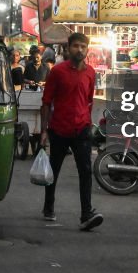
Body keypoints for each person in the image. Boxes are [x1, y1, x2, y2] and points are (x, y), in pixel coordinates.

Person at [39, 33, 103, 231]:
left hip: (82, 128)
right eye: (76, 46)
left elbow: (89, 100)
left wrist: (89, 122)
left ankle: (86, 213)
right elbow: (46, 102)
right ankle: (49, 206)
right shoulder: (57, 72)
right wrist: (43, 131)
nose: (80, 50)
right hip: (59, 128)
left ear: (87, 49)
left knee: (85, 171)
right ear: (68, 48)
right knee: (54, 170)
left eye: (83, 46)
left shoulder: (91, 72)